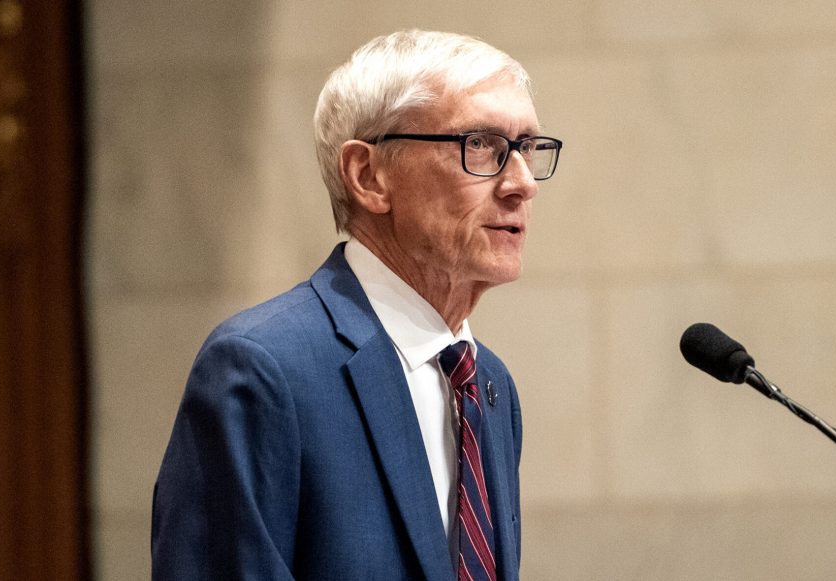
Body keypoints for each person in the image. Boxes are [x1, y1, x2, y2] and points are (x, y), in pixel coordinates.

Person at [151, 29, 562, 580]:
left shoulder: (488, 384)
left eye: (528, 148)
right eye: (482, 145)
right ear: (369, 176)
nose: (521, 184)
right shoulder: (263, 370)